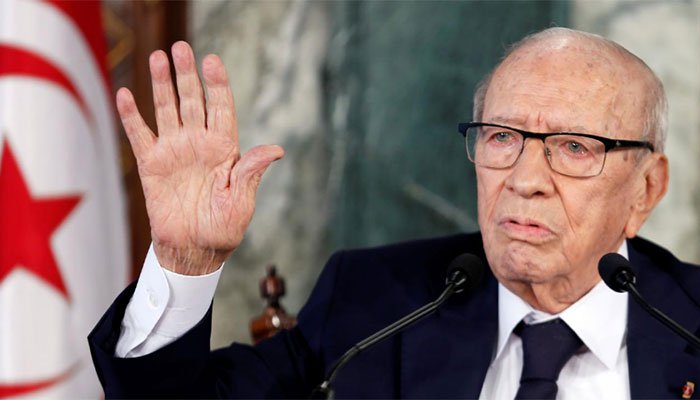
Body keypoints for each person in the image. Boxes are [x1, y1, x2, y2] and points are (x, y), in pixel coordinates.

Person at [89, 27, 700, 399]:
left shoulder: (687, 329)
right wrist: (184, 261)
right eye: (501, 137)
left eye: (573, 147)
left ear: (646, 189)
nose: (525, 180)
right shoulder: (372, 305)